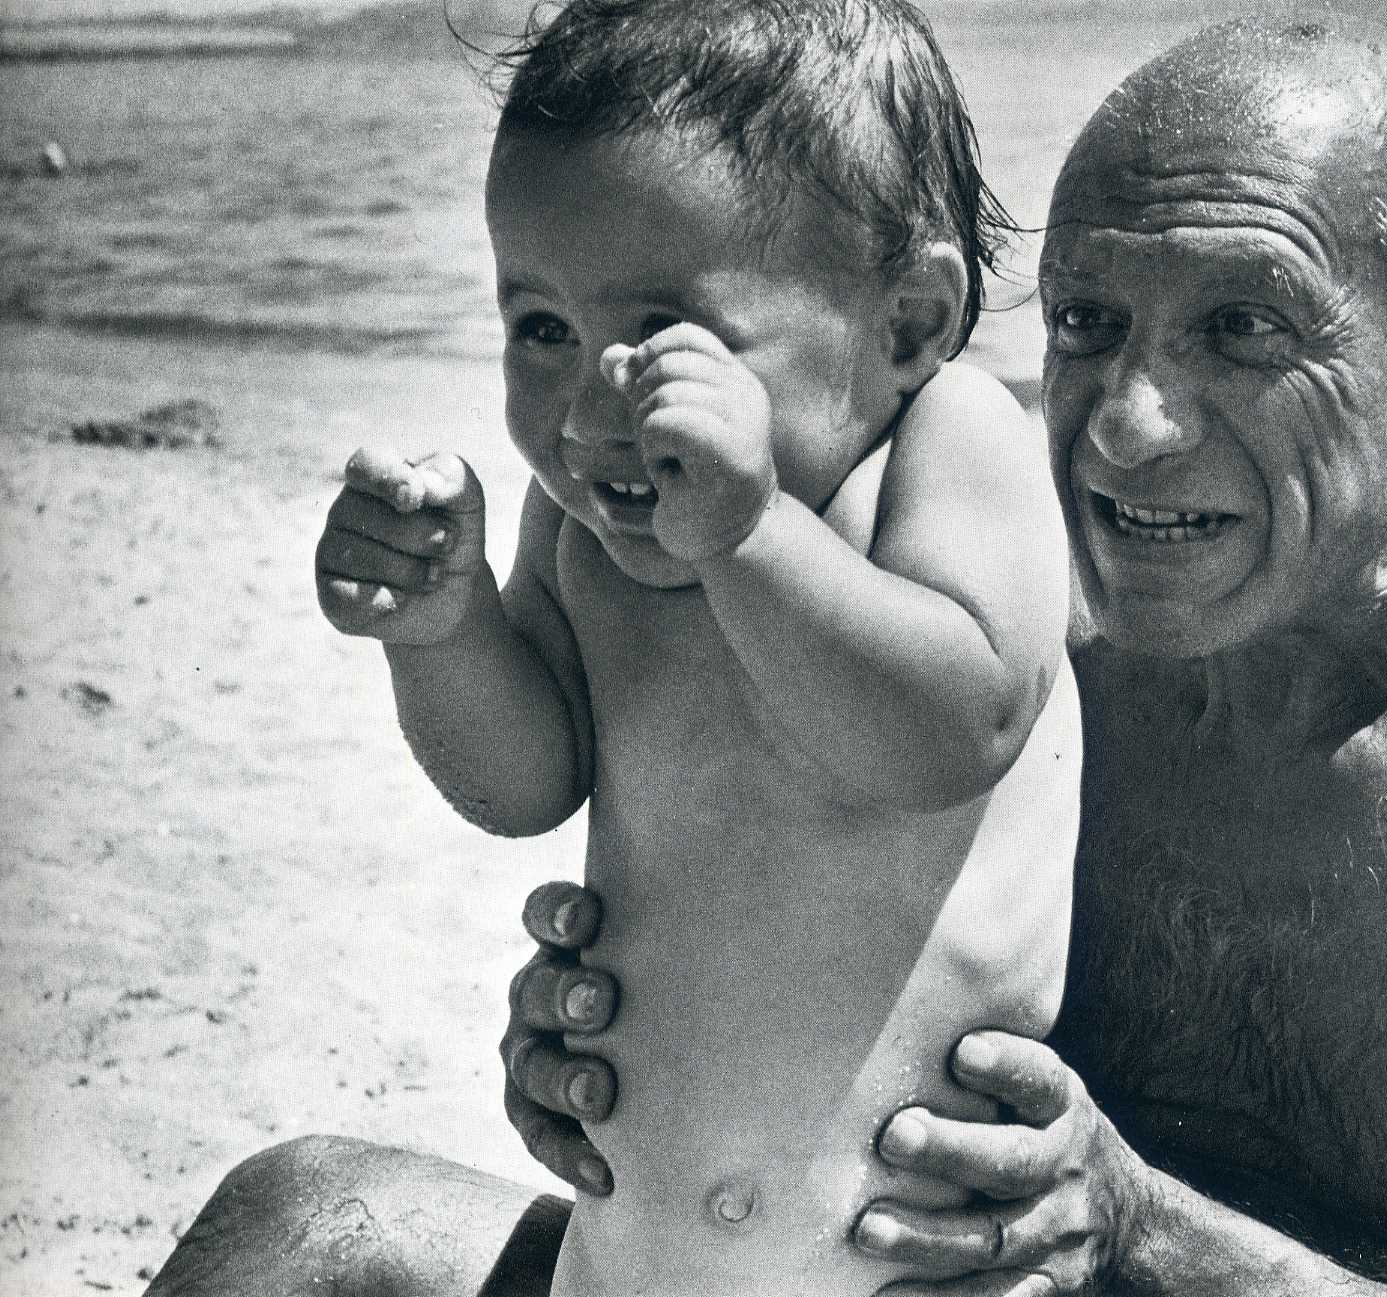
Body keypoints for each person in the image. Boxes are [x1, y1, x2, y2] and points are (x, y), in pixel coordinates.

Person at [145, 13, 1387, 1297]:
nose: (1119, 428)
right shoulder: (969, 594)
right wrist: (628, 1051)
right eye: (1092, 326)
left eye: (1246, 331)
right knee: (302, 1218)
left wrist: (1143, 1229)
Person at [303, 0, 1079, 1293]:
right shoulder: (586, 525)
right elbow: (522, 779)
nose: (594, 399)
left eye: (670, 338)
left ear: (908, 323)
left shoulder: (951, 447)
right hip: (629, 1260)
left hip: (918, 1265)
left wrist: (754, 530)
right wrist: (444, 631)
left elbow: (956, 729)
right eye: (540, 327)